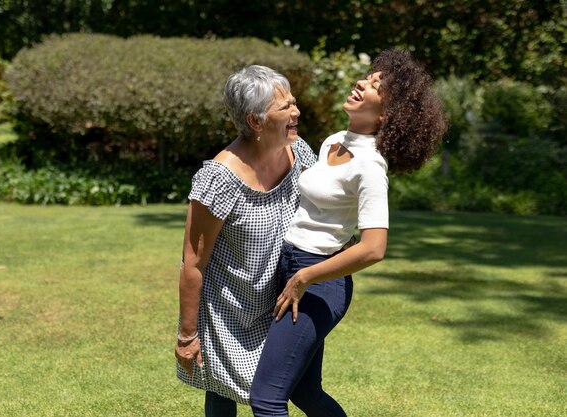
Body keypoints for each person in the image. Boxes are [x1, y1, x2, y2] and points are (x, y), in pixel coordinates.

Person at [249, 49, 447, 417]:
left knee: (266, 397)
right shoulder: (334, 140)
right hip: (295, 269)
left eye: (374, 86)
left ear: (388, 114)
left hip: (318, 281)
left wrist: (303, 277)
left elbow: (374, 249)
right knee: (306, 393)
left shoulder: (370, 166)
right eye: (368, 77)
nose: (361, 82)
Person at [175, 65, 317, 416]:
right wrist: (187, 336)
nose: (296, 112)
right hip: (227, 310)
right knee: (222, 386)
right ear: (255, 121)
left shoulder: (300, 156)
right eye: (285, 108)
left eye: (294, 102)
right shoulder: (220, 178)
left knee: (273, 392)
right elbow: (193, 263)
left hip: (280, 299)